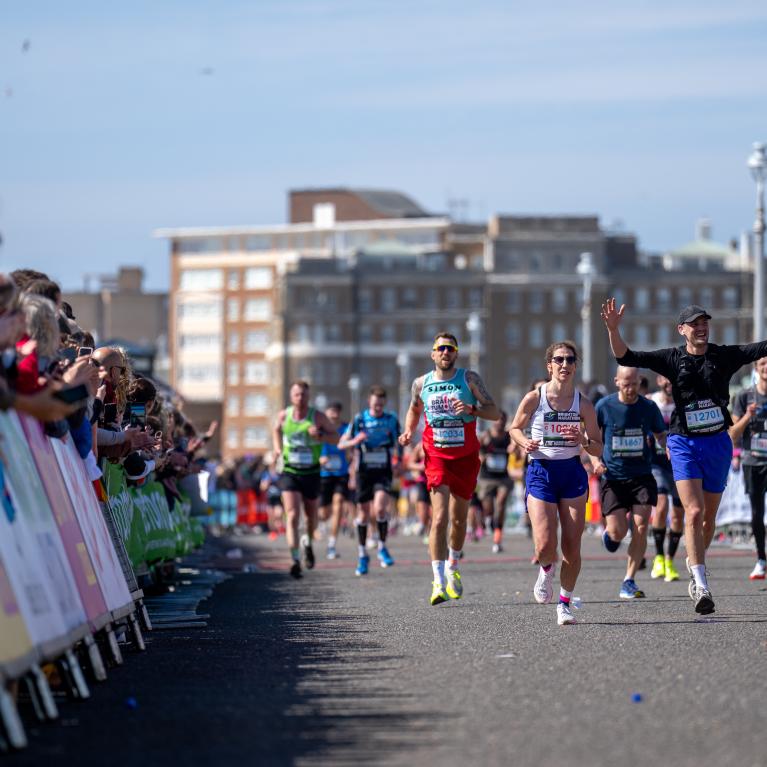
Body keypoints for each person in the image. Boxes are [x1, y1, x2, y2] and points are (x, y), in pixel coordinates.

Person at [601, 299, 767, 614]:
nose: (701, 328)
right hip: (683, 442)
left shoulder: (723, 356)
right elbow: (626, 355)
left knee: (707, 519)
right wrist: (613, 329)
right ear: (682, 330)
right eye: (694, 324)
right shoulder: (671, 358)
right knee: (692, 512)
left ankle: (694, 561)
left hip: (717, 442)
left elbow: (760, 348)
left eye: (704, 322)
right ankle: (701, 584)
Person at [399, 332, 499, 605]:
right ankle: (438, 581)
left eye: (450, 349)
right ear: (433, 354)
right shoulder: (421, 383)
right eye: (441, 348)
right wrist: (409, 431)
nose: (445, 353)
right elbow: (414, 409)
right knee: (439, 518)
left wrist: (472, 408)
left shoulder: (469, 379)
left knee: (458, 521)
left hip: (465, 458)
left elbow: (495, 413)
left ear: (456, 353)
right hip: (437, 456)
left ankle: (454, 565)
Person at [510, 341, 602, 626]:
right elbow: (514, 427)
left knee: (572, 546)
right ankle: (546, 569)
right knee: (545, 545)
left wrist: (584, 442)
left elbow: (598, 447)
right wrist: (525, 441)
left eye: (570, 360)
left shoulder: (583, 403)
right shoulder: (534, 398)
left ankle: (564, 603)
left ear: (576, 365)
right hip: (541, 472)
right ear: (549, 365)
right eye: (559, 359)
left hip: (572, 473)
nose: (565, 365)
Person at [590, 366, 667, 599]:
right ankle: (610, 536)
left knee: (642, 526)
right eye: (625, 383)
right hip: (613, 476)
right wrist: (595, 461)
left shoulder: (649, 407)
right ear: (616, 381)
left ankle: (629, 580)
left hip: (642, 475)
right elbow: (592, 438)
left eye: (634, 383)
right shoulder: (604, 406)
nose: (630, 388)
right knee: (618, 532)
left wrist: (670, 448)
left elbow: (660, 434)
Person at [272, 381, 339, 578]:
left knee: (311, 517)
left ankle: (307, 542)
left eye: (303, 395)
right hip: (290, 471)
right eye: (297, 394)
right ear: (291, 396)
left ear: (308, 397)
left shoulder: (317, 416)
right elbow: (276, 429)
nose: (300, 398)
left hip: (311, 472)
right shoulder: (284, 415)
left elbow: (335, 438)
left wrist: (320, 435)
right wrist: (277, 449)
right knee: (292, 515)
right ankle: (294, 559)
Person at [339, 386, 401, 575]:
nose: (378, 408)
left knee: (381, 508)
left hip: (383, 470)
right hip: (363, 472)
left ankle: (382, 547)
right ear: (369, 402)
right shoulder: (359, 420)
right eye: (375, 405)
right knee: (363, 514)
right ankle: (363, 554)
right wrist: (355, 440)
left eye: (381, 405)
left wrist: (399, 460)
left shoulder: (391, 420)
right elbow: (341, 443)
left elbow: (401, 441)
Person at [729, 356, 767, 580]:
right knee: (756, 513)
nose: (766, 367)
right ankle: (761, 559)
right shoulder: (745, 396)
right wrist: (747, 416)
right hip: (753, 462)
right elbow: (733, 433)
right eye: (763, 364)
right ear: (756, 368)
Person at [648, 375, 684, 582]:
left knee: (678, 516)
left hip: (679, 465)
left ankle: (670, 560)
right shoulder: (651, 402)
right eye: (667, 381)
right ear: (660, 380)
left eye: (674, 382)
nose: (670, 385)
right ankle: (659, 557)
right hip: (657, 464)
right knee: (661, 507)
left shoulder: (683, 402)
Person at [318, 402, 351, 560]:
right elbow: (313, 446)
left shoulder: (345, 428)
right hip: (324, 474)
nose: (333, 415)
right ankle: (322, 523)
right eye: (330, 412)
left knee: (338, 503)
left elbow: (351, 445)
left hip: (341, 473)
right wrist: (319, 457)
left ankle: (332, 543)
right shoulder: (319, 430)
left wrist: (350, 453)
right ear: (325, 414)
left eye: (336, 412)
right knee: (324, 513)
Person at [477, 411, 514, 553]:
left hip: (504, 477)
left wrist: (514, 449)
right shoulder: (485, 436)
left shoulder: (508, 437)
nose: (499, 423)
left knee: (501, 502)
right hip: (487, 477)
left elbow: (517, 451)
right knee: (488, 508)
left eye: (502, 420)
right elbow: (478, 453)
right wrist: (483, 456)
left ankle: (498, 535)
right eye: (497, 420)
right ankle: (489, 519)